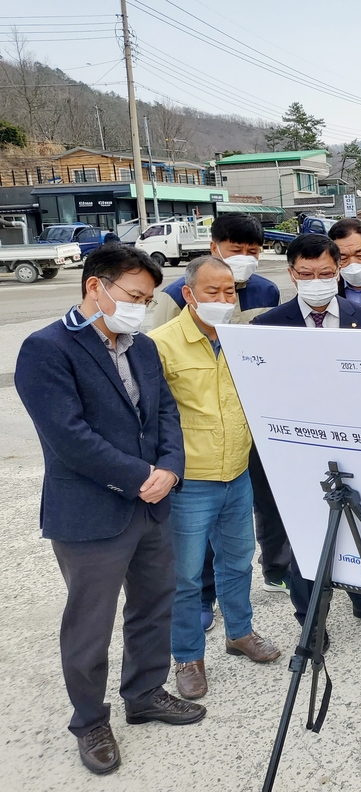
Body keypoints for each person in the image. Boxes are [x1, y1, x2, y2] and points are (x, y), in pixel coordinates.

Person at [14, 245, 205, 775]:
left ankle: (145, 693)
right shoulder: (46, 349)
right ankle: (90, 720)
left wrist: (169, 467)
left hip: (152, 504)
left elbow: (167, 413)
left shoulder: (140, 347)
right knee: (89, 623)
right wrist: (139, 476)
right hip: (91, 512)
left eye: (147, 299)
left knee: (153, 605)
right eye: (134, 296)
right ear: (95, 287)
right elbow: (68, 437)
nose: (141, 308)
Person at [149, 256, 281, 701]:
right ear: (188, 295)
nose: (224, 300)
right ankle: (187, 655)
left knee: (238, 561)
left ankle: (239, 633)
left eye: (230, 292)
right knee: (186, 576)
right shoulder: (161, 345)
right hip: (190, 482)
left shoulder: (244, 339)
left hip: (237, 473)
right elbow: (152, 419)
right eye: (213, 292)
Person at [251, 234, 361, 645]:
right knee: (304, 535)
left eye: (326, 273)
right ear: (291, 274)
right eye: (306, 274)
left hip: (356, 442)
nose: (317, 281)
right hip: (298, 448)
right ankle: (310, 620)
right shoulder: (268, 325)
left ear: (339, 269)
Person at [149, 214, 280, 326]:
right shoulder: (176, 295)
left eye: (252, 251)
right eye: (236, 251)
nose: (244, 258)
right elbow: (159, 345)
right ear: (214, 247)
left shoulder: (268, 291)